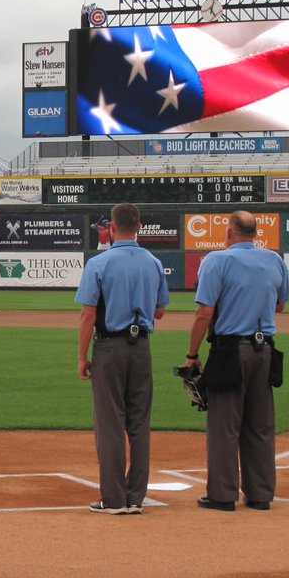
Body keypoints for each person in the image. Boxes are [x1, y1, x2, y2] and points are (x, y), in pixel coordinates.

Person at [184, 211, 288, 512]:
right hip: (264, 349)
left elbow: (204, 313)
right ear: (255, 233)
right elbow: (279, 304)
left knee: (224, 425)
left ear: (229, 232)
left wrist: (192, 354)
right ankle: (261, 495)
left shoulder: (217, 260)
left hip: (230, 350)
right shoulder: (274, 260)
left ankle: (222, 494)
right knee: (260, 425)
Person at [75, 203, 170, 515]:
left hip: (109, 347)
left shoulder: (100, 263)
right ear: (139, 227)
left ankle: (113, 499)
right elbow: (159, 311)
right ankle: (134, 498)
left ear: (111, 229)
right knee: (139, 424)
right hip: (141, 347)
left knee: (110, 424)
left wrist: (81, 357)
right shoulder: (154, 263)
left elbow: (88, 315)